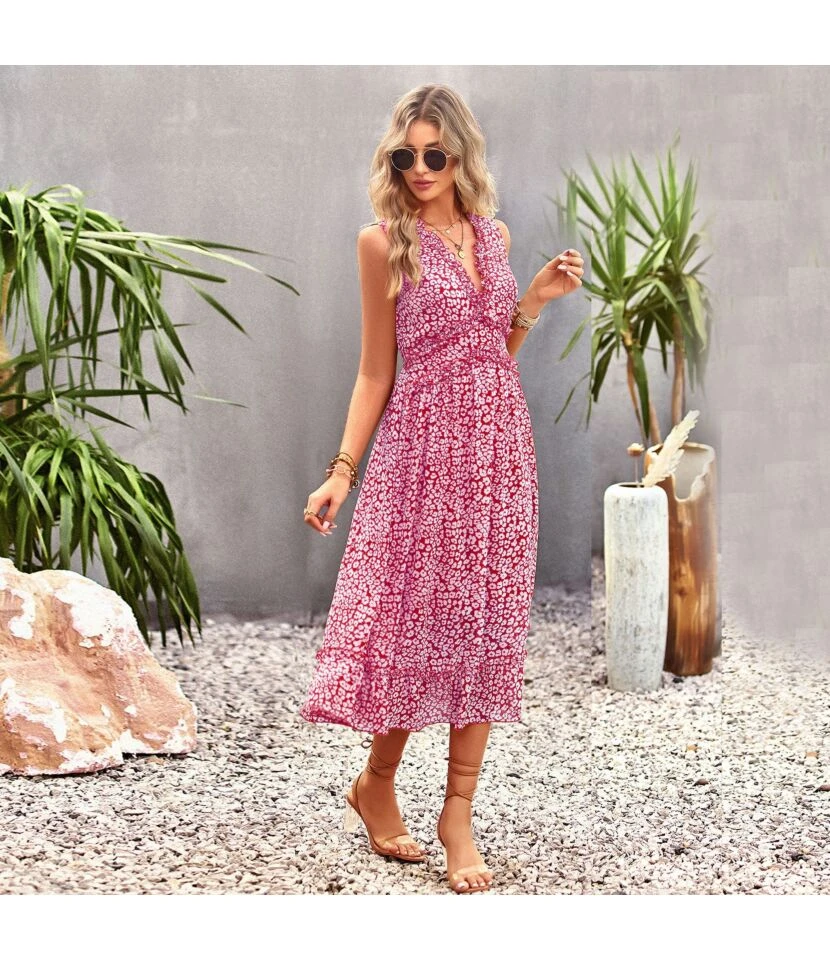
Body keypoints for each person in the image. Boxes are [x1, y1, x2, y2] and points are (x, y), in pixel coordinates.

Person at [300, 82, 583, 893]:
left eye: (435, 154)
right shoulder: (383, 243)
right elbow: (375, 372)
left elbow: (489, 352)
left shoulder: (493, 236)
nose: (420, 168)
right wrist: (341, 471)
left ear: (461, 155)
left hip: (499, 456)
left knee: (485, 625)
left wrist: (532, 301)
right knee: (410, 625)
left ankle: (457, 813)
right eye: (405, 156)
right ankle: (376, 783)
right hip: (420, 456)